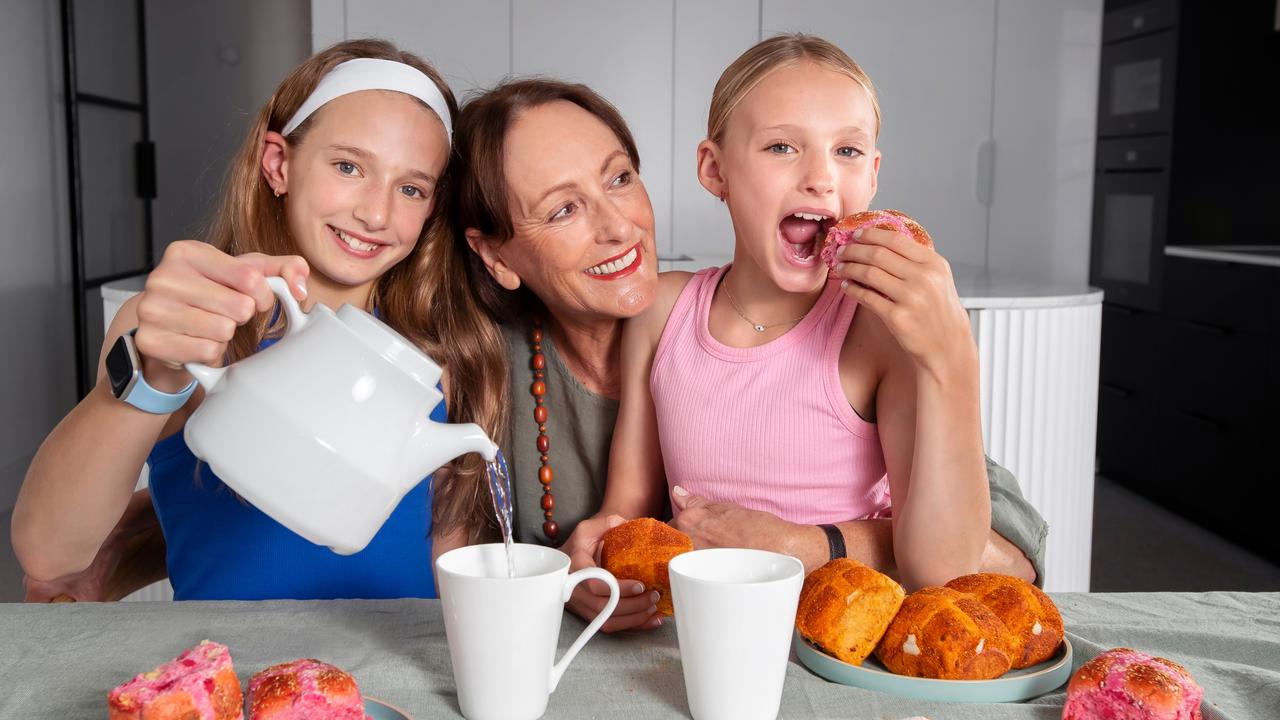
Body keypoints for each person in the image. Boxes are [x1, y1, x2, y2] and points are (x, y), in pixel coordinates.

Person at [447, 76, 1047, 633]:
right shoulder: (501, 363)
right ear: (714, 169)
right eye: (562, 209)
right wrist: (588, 559)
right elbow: (617, 518)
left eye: (619, 178)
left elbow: (974, 551)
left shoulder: (876, 331)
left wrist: (951, 356)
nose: (616, 228)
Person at [11, 39, 489, 601]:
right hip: (226, 676)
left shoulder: (438, 355)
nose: (377, 213)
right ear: (279, 164)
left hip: (395, 683)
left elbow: (446, 567)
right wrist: (154, 374)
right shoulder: (190, 329)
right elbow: (50, 552)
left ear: (431, 207)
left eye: (410, 188)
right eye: (348, 166)